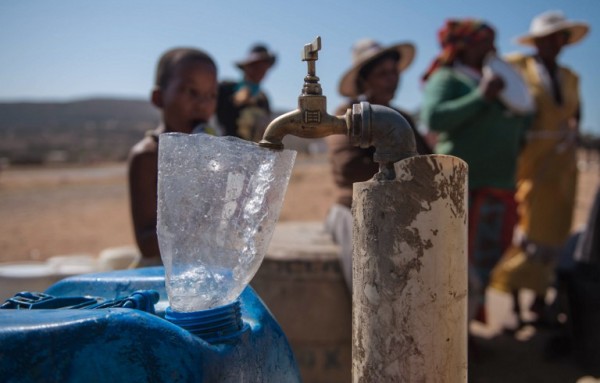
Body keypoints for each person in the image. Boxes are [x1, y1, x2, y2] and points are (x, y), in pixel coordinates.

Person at [419, 19, 531, 323]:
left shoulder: (501, 82)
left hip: (497, 188)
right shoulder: (448, 78)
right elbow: (435, 117)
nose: (493, 48)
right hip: (460, 191)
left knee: (482, 266)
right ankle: (452, 336)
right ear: (466, 46)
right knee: (454, 268)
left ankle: (464, 332)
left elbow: (522, 119)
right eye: (486, 42)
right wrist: (481, 96)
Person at [489, 11, 590, 327]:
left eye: (557, 38)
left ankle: (539, 302)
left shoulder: (571, 78)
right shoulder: (519, 67)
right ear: (536, 42)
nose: (552, 44)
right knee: (525, 232)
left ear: (564, 41)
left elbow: (576, 115)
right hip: (529, 162)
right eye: (545, 39)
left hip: (563, 169)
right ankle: (516, 305)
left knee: (555, 234)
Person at [325, 39, 433, 291]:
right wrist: (405, 171)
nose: (392, 78)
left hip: (403, 211)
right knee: (372, 284)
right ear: (364, 81)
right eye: (382, 73)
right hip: (356, 209)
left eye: (394, 72)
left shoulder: (401, 118)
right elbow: (347, 168)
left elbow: (429, 161)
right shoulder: (348, 114)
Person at [128, 47, 218, 266]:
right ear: (159, 98)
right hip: (158, 275)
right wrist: (203, 220)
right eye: (191, 92)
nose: (203, 104)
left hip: (200, 269)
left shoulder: (210, 155)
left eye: (212, 95)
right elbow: (146, 243)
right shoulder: (148, 156)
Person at [216, 44, 276, 141]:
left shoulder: (263, 99)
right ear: (246, 67)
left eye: (264, 67)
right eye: (256, 66)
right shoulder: (226, 89)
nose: (260, 71)